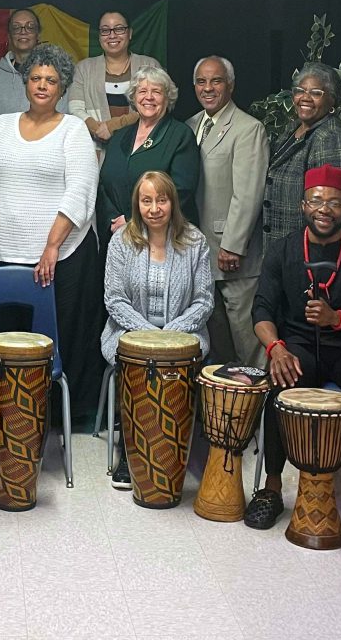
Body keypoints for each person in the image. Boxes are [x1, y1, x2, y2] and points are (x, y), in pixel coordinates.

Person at [245, 164, 341, 530]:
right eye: (316, 200)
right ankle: (272, 485)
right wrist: (276, 348)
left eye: (334, 202)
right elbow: (262, 309)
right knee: (279, 383)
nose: (324, 209)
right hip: (298, 345)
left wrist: (337, 320)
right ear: (302, 205)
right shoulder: (282, 250)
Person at [0, 43, 105, 432]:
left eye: (52, 80)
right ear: (25, 83)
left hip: (60, 256)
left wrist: (52, 245)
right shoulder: (0, 127)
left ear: (63, 88)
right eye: (36, 78)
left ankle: (53, 417)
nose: (42, 85)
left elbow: (80, 190)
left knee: (52, 340)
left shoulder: (74, 130)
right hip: (0, 253)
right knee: (4, 340)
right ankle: (1, 412)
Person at [102, 171, 213, 489]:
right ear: (137, 204)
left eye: (161, 200)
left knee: (177, 364)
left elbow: (204, 302)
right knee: (134, 363)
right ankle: (129, 449)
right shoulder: (122, 241)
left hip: (184, 334)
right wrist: (148, 336)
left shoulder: (195, 241)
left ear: (172, 203)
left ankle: (174, 446)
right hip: (127, 332)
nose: (154, 208)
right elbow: (114, 301)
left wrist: (172, 335)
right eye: (146, 200)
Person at [186, 56, 269, 366]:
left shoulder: (249, 129)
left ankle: (261, 410)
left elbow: (248, 193)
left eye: (216, 81)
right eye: (202, 82)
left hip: (232, 254)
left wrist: (232, 245)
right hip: (198, 252)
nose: (208, 88)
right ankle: (224, 408)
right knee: (216, 342)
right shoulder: (190, 125)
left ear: (230, 85)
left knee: (246, 340)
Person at [262, 62, 341, 247]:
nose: (305, 98)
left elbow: (334, 211)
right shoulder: (292, 130)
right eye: (300, 90)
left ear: (332, 100)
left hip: (309, 252)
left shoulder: (331, 138)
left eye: (316, 93)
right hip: (283, 246)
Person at [97, 66, 200, 246]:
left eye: (156, 92)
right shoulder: (119, 136)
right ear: (134, 97)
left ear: (167, 98)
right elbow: (104, 185)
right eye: (142, 91)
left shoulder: (180, 135)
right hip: (116, 238)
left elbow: (181, 190)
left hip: (163, 239)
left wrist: (132, 220)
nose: (149, 97)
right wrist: (113, 220)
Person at [67, 10, 161, 143]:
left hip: (142, 148)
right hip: (96, 151)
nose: (112, 35)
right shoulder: (84, 68)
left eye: (119, 29)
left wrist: (113, 127)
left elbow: (158, 105)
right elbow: (75, 109)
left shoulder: (150, 65)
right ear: (99, 36)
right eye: (105, 30)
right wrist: (97, 130)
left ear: (130, 33)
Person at [0, 8, 68, 128]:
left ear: (38, 34)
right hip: (6, 145)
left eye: (30, 27)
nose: (23, 31)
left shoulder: (55, 70)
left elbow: (65, 114)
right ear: (9, 35)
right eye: (16, 27)